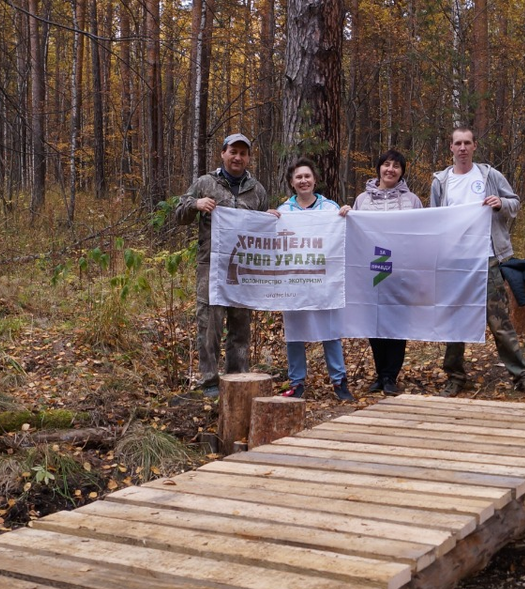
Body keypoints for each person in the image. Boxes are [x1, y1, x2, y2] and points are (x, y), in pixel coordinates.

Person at [429, 127, 525, 396]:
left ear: (475, 146)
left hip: (487, 258)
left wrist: (500, 202)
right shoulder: (441, 182)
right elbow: (433, 219)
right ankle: (455, 376)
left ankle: (520, 376)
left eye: (467, 143)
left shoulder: (489, 175)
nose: (463, 148)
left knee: (499, 322)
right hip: (455, 261)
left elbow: (515, 203)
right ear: (451, 148)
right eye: (458, 143)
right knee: (455, 322)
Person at [175, 133, 278, 398]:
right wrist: (195, 204)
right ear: (223, 153)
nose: (238, 157)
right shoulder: (206, 183)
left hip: (244, 268)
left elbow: (264, 233)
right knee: (209, 322)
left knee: (240, 324)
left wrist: (269, 219)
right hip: (211, 265)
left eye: (243, 153)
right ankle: (210, 380)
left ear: (248, 158)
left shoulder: (257, 190)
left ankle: (237, 379)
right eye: (233, 151)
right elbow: (179, 214)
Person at [277, 158, 355, 402]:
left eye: (307, 176)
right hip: (295, 281)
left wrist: (347, 215)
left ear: (315, 180)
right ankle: (297, 382)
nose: (303, 181)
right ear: (292, 182)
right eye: (298, 177)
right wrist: (268, 219)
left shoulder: (330, 209)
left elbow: (344, 237)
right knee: (295, 333)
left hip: (324, 281)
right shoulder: (283, 211)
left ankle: (339, 381)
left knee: (330, 331)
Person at [351, 149, 424, 395]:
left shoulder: (412, 200)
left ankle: (391, 375)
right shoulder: (362, 199)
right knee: (374, 324)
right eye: (386, 164)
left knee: (396, 324)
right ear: (379, 168)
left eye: (396, 166)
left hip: (400, 271)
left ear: (402, 172)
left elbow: (421, 233)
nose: (390, 169)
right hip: (371, 271)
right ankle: (380, 373)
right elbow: (355, 233)